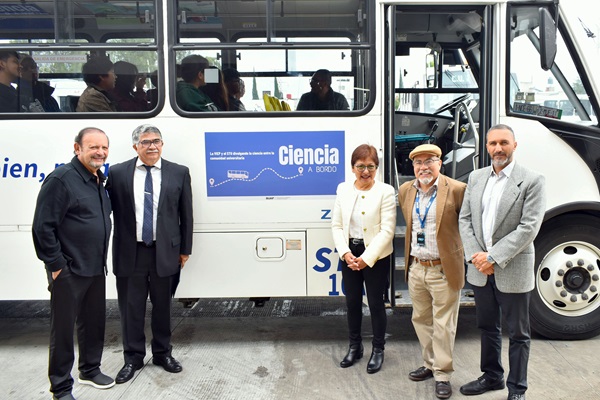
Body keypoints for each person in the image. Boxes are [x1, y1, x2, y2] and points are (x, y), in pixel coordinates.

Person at [458, 124, 546, 400]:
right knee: (487, 327)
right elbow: (465, 220)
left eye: (504, 143)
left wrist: (493, 257)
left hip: (512, 269)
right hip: (481, 270)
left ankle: (517, 389)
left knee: (519, 333)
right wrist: (478, 257)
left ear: (514, 145)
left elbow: (529, 228)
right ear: (486, 147)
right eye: (493, 143)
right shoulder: (476, 177)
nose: (498, 148)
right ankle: (492, 376)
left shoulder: (532, 180)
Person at [106, 124, 193, 384]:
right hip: (129, 252)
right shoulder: (119, 172)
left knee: (163, 306)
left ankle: (162, 354)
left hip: (165, 251)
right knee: (131, 308)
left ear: (162, 144)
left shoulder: (178, 172)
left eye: (156, 141)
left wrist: (185, 249)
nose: (152, 146)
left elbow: (186, 214)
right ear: (136, 147)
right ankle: (132, 358)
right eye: (145, 142)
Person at [32, 127, 114, 400]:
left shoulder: (97, 179)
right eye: (93, 147)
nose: (100, 152)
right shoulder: (62, 180)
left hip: (94, 267)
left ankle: (90, 370)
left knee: (93, 323)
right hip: (68, 270)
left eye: (104, 147)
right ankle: (61, 387)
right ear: (77, 148)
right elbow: (43, 228)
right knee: (64, 331)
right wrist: (57, 266)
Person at [398, 144, 466, 399]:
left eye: (429, 161)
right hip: (417, 267)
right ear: (413, 167)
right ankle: (429, 364)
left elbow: (466, 227)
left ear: (440, 163)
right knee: (421, 320)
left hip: (442, 269)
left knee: (444, 325)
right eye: (418, 163)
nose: (423, 167)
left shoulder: (457, 190)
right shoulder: (406, 190)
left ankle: (443, 374)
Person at [331, 144, 396, 374]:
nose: (365, 171)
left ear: (377, 168)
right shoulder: (343, 189)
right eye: (361, 166)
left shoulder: (386, 191)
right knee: (352, 304)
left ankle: (378, 350)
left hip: (376, 257)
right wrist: (345, 253)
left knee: (376, 304)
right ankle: (355, 346)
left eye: (371, 166)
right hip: (349, 254)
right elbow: (337, 225)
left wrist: (366, 259)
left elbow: (387, 231)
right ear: (352, 167)